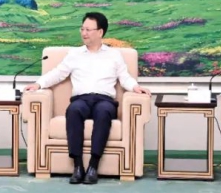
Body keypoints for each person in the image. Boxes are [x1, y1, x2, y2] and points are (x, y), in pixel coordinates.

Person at [24, 12, 150, 184]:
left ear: (100, 32)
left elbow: (124, 77)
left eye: (89, 30)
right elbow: (58, 73)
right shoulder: (74, 54)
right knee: (73, 111)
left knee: (104, 112)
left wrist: (136, 87)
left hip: (104, 100)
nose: (84, 33)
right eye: (82, 29)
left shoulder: (114, 55)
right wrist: (38, 84)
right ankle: (77, 166)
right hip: (81, 100)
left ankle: (93, 166)